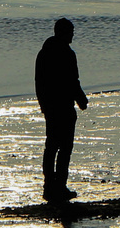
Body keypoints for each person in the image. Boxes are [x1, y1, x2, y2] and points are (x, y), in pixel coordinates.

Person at [35, 18, 88, 202]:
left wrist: (43, 105)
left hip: (50, 108)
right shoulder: (67, 53)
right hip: (63, 108)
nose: (73, 35)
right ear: (64, 32)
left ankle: (50, 187)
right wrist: (81, 100)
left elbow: (39, 83)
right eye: (71, 32)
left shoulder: (43, 53)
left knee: (51, 147)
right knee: (64, 148)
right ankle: (58, 187)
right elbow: (73, 81)